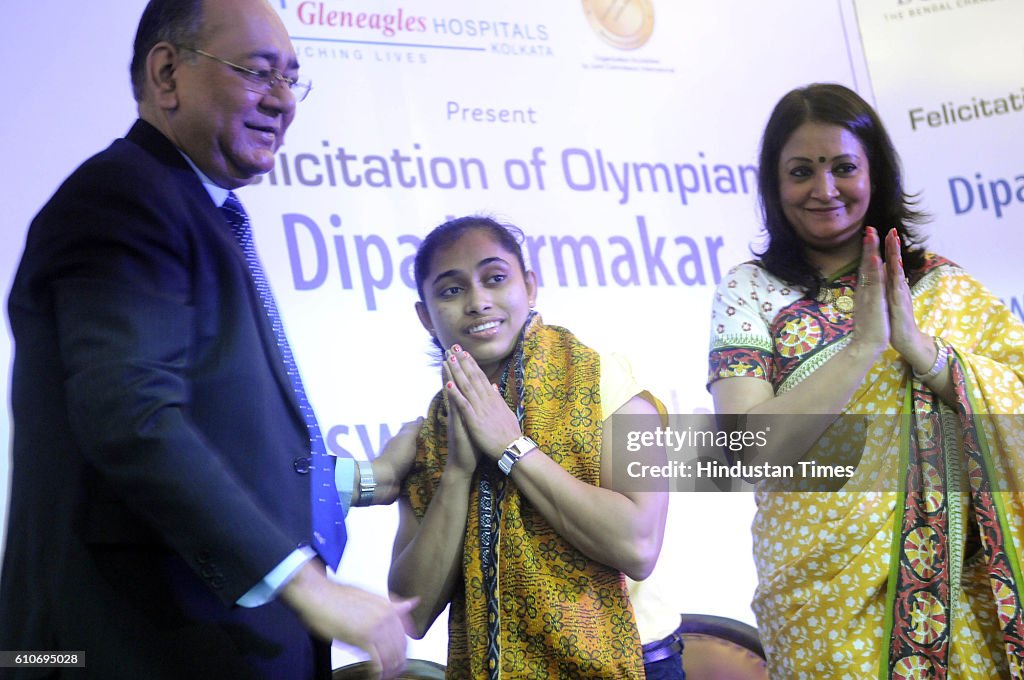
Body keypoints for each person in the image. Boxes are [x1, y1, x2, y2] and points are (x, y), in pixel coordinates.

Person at [0, 1, 415, 678]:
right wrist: (309, 587)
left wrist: (370, 479)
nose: (282, 101)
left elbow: (227, 440)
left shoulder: (195, 210)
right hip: (120, 649)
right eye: (259, 73)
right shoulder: (121, 198)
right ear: (168, 74)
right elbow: (134, 419)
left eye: (292, 79)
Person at [707, 82, 1024, 678]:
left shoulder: (941, 287)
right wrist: (863, 350)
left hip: (963, 591)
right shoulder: (750, 291)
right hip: (819, 603)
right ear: (775, 186)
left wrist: (930, 358)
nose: (824, 190)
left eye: (844, 167)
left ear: (875, 172)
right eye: (801, 171)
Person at [388, 216, 671, 678]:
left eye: (495, 279)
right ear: (425, 315)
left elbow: (638, 545)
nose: (478, 303)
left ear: (530, 286)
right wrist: (459, 471)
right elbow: (410, 612)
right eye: (451, 290)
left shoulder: (604, 378)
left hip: (633, 664)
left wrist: (511, 447)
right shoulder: (434, 431)